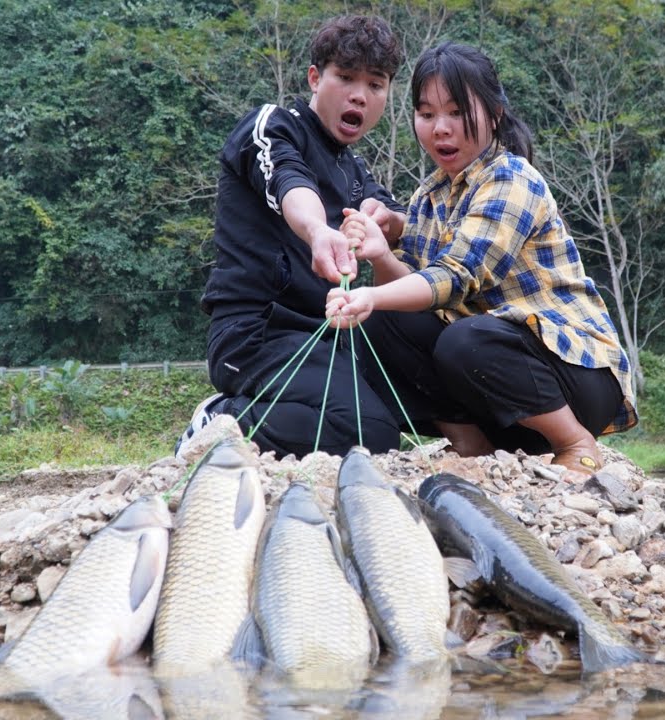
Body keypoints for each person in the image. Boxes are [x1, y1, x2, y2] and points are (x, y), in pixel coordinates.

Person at [325, 41, 637, 475]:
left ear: (494, 114)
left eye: (456, 112)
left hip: (575, 377)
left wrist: (371, 296)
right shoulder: (429, 195)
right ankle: (472, 444)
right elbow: (411, 296)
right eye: (427, 114)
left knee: (464, 338)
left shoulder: (512, 179)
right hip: (497, 393)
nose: (440, 129)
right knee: (381, 321)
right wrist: (380, 252)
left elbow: (455, 277)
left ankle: (575, 442)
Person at [178, 15, 407, 459]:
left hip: (327, 338)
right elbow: (289, 179)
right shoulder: (273, 125)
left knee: (404, 399)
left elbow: (395, 215)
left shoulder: (354, 169)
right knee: (370, 432)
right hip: (254, 334)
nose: (360, 95)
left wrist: (385, 223)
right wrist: (318, 230)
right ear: (315, 78)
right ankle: (221, 419)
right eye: (345, 77)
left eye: (375, 85)